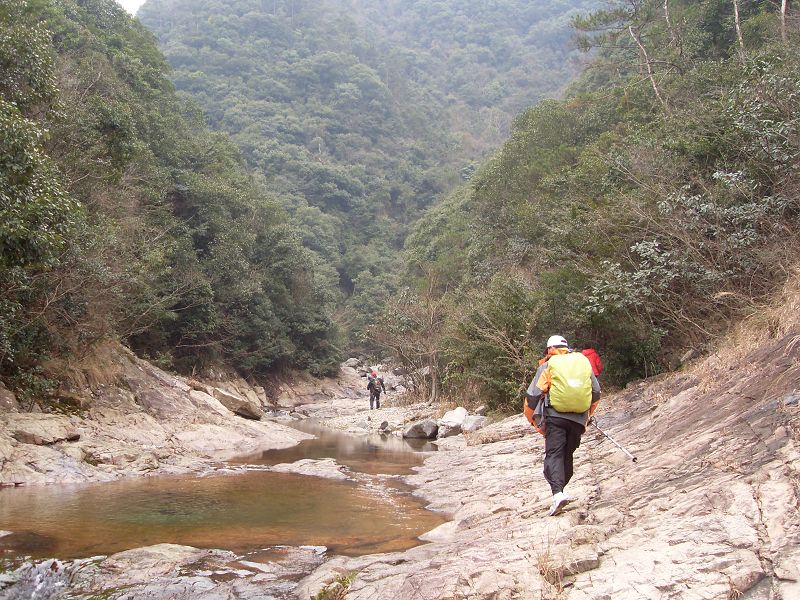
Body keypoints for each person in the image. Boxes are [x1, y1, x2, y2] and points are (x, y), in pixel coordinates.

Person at [525, 335, 601, 516]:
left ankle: (558, 494)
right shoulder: (582, 362)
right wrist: (587, 415)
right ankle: (560, 492)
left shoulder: (548, 365)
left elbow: (533, 395)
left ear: (550, 349)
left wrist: (533, 419)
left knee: (554, 454)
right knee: (567, 455)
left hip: (555, 417)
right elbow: (596, 392)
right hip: (578, 419)